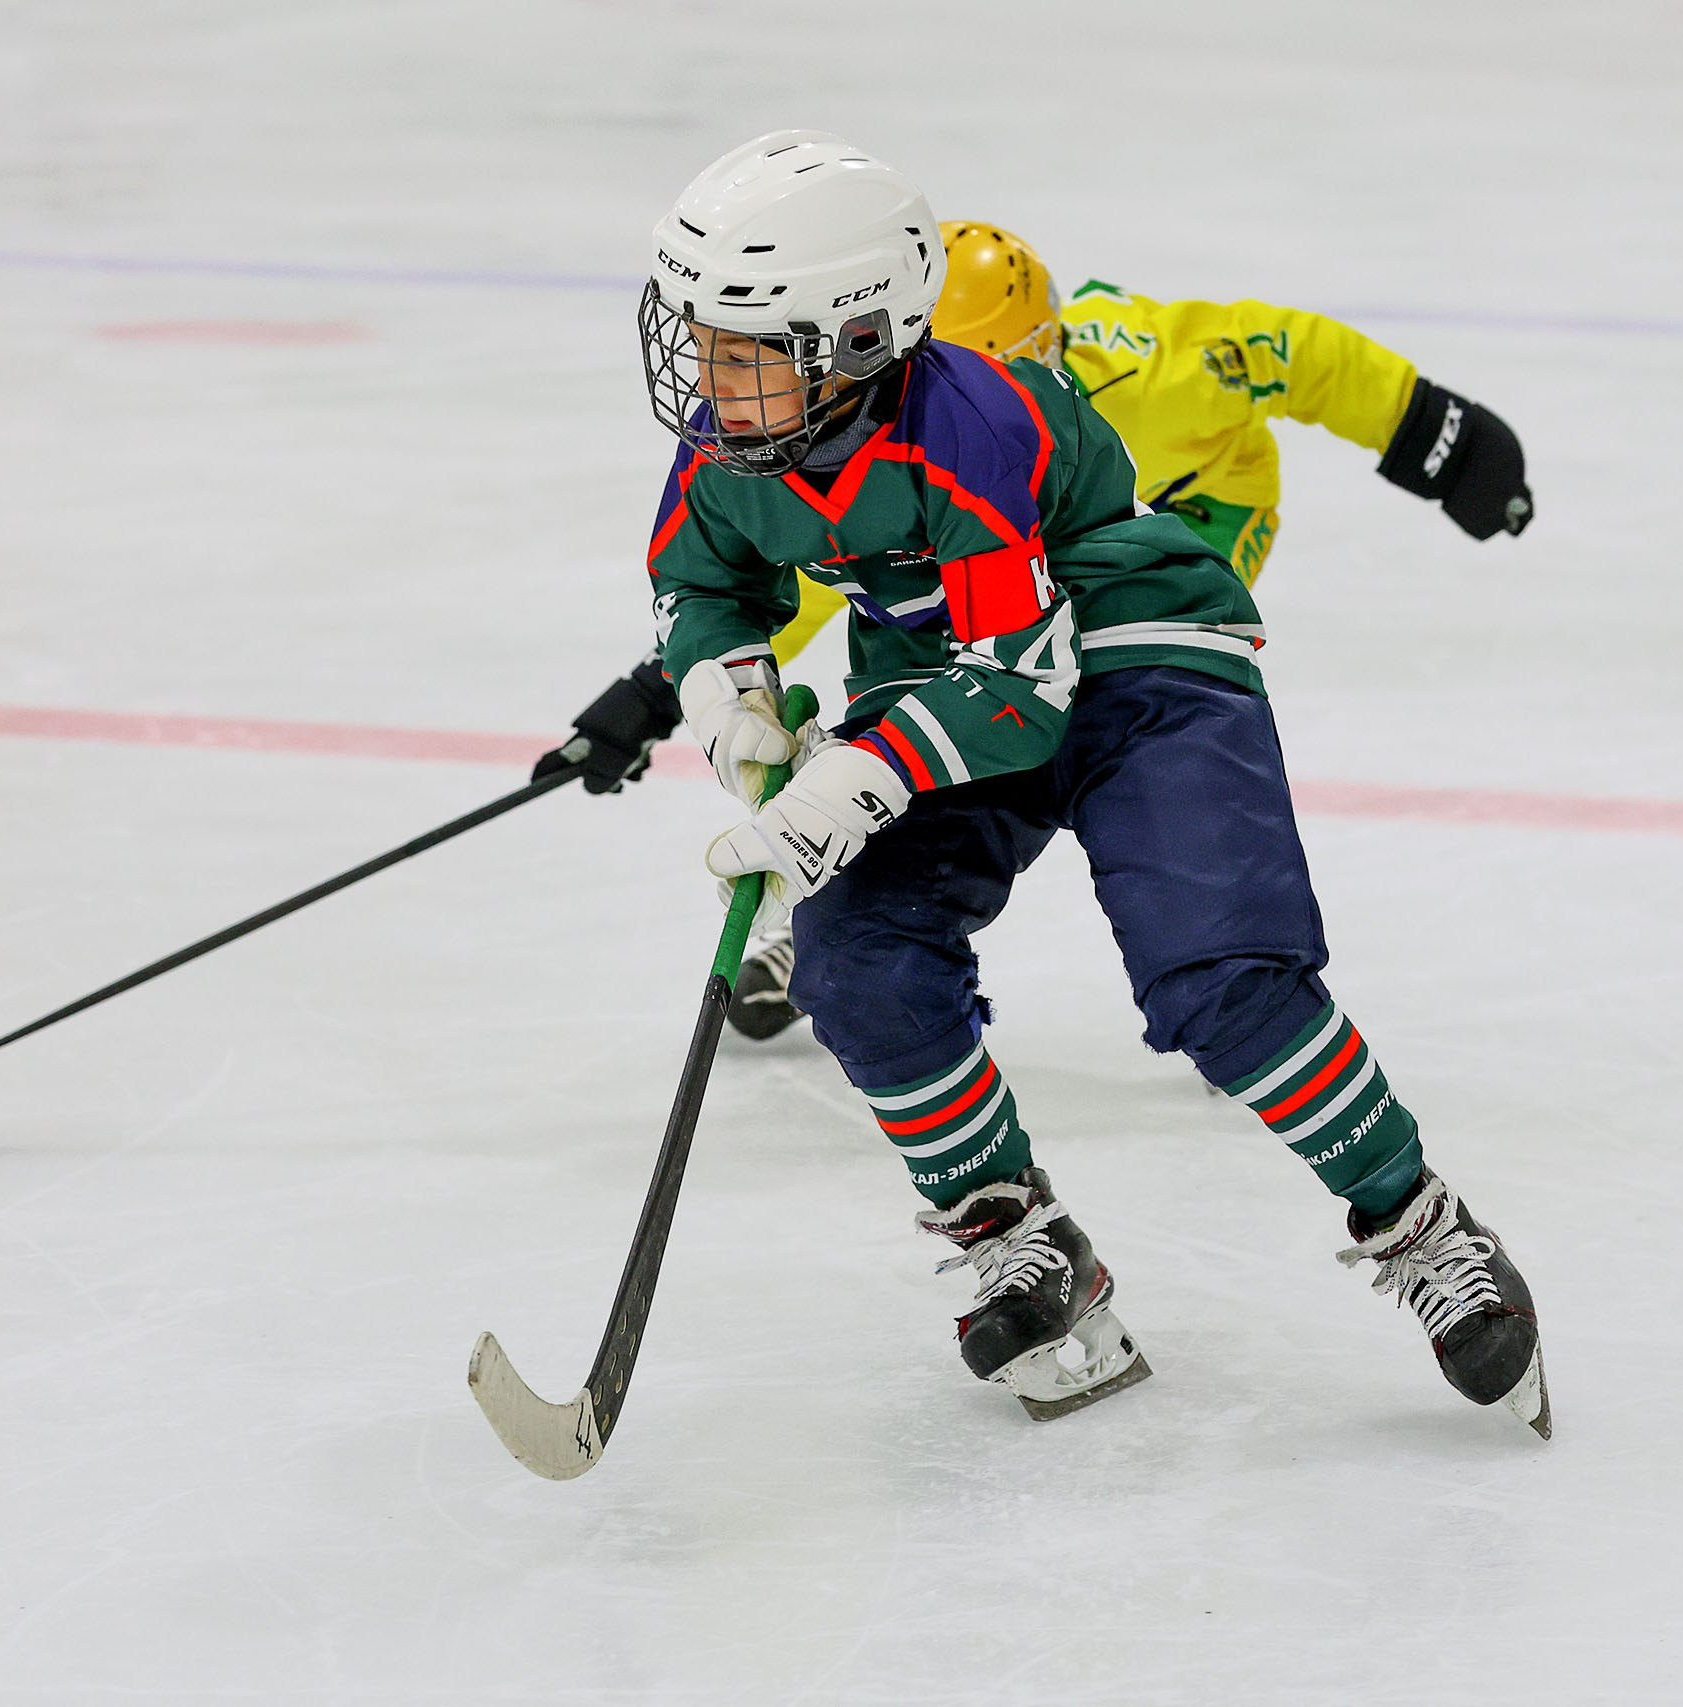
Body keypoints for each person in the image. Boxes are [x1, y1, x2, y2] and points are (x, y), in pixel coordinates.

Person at [603, 128, 1549, 1435]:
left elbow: (1019, 682)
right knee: (857, 961)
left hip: (1134, 660)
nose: (708, 377)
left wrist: (848, 785)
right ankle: (1020, 1237)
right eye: (702, 338)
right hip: (948, 683)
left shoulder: (970, 424)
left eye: (746, 349)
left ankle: (1423, 1226)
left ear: (859, 339)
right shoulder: (735, 446)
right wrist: (732, 699)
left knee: (1221, 978)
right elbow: (705, 584)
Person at [542, 223, 1535, 1040]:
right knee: (953, 702)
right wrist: (666, 686)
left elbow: (1303, 357)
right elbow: (837, 570)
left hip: (1182, 522)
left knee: (1106, 716)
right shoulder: (912, 426)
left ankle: (1223, 955)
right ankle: (857, 903)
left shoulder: (1152, 369)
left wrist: (1439, 439)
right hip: (1003, 556)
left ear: (1049, 347)